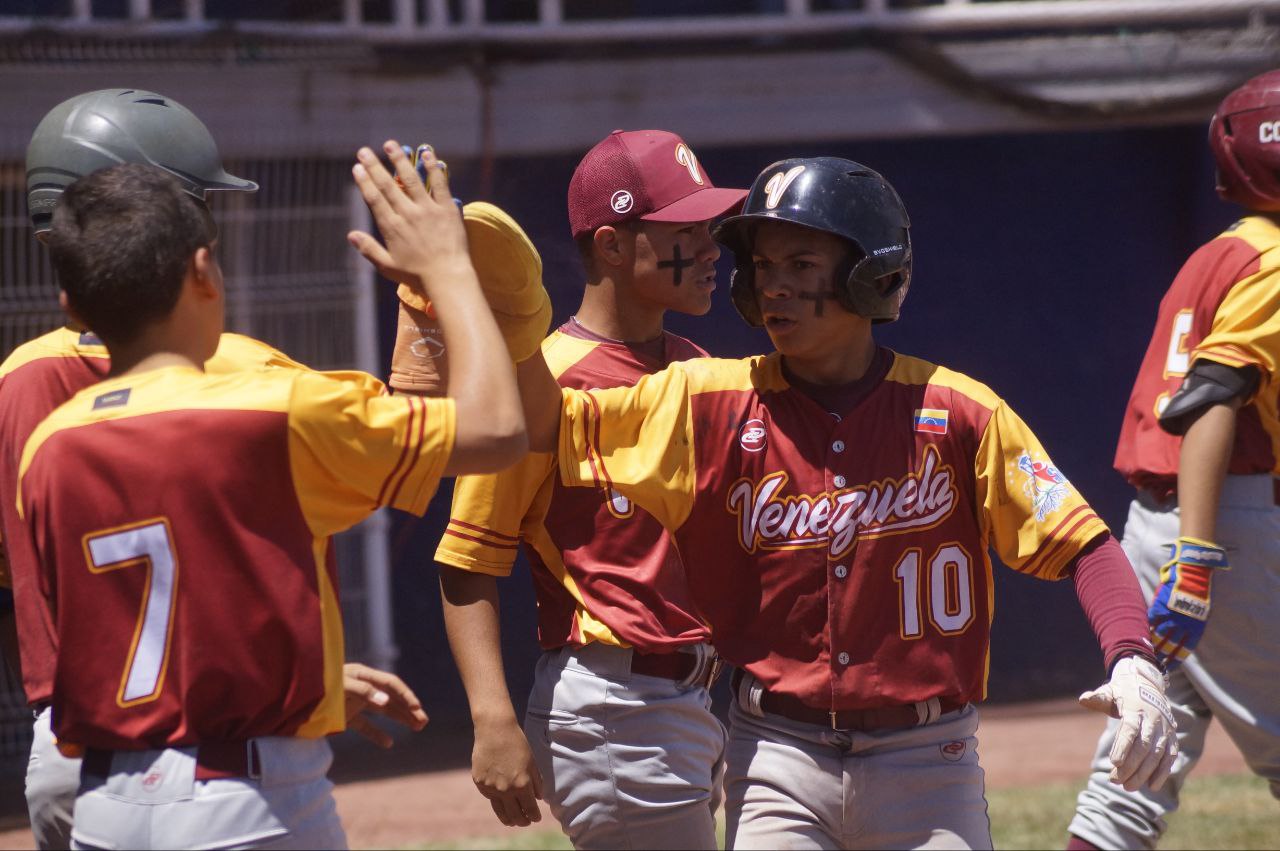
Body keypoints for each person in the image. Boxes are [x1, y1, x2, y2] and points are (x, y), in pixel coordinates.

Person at [455, 156, 1179, 849]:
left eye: (801, 266)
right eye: (764, 267)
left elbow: (1084, 542)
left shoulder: (959, 411)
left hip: (930, 759)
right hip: (776, 753)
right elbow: (545, 422)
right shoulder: (708, 399)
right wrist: (515, 326)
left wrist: (1131, 659)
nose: (774, 286)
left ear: (871, 273)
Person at [13, 149, 523, 849]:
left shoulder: (50, 443)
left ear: (71, 304)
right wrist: (449, 271)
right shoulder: (275, 407)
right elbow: (496, 431)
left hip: (105, 809)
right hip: (243, 800)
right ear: (203, 272)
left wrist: (303, 677)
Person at [418, 129, 746, 848]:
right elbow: (468, 558)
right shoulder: (545, 381)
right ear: (613, 245)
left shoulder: (694, 365)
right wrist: (491, 717)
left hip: (689, 699)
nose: (713, 248)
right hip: (613, 706)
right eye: (686, 230)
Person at [1067, 70, 1280, 851]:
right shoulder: (1276, 258)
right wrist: (1198, 559)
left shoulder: (1213, 254)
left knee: (1134, 770)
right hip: (1226, 531)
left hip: (1153, 527)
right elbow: (1212, 398)